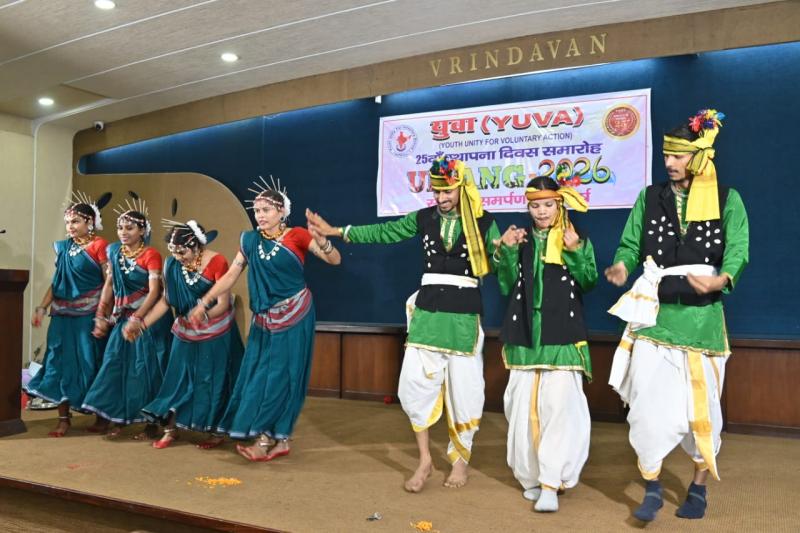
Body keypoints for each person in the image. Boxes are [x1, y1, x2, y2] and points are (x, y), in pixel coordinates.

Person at [307, 156, 501, 492]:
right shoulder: (424, 218)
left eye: (448, 191)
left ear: (461, 187)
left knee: (465, 392)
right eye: (437, 191)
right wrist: (335, 231)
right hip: (427, 312)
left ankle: (459, 461)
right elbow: (386, 231)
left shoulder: (484, 223)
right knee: (413, 386)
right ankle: (424, 459)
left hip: (464, 316)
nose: (441, 198)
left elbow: (497, 266)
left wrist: (504, 252)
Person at [604, 109, 749, 521]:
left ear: (699, 157)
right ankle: (651, 484)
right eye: (667, 155)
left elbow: (738, 249)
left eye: (680, 156)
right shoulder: (650, 197)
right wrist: (620, 264)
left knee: (702, 413)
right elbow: (631, 244)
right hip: (655, 319)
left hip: (703, 324)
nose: (670, 163)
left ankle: (699, 487)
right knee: (648, 410)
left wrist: (722, 279)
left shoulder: (727, 198)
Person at [189, 178, 341, 461]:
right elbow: (231, 276)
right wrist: (205, 301)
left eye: (266, 210)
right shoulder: (249, 240)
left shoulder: (297, 236)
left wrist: (323, 242)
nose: (259, 215)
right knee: (258, 375)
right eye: (256, 210)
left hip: (295, 314)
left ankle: (267, 438)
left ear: (282, 212)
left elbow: (335, 261)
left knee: (283, 376)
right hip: (264, 319)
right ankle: (278, 438)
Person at [495, 174, 597, 512]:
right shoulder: (520, 240)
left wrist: (576, 252)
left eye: (548, 205)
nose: (541, 212)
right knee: (522, 411)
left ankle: (553, 482)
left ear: (560, 204)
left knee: (559, 409)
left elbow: (589, 281)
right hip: (525, 338)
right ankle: (533, 478)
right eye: (535, 205)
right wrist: (507, 252)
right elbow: (508, 285)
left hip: (561, 338)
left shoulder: (575, 238)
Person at [137, 220, 244, 449]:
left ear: (196, 246)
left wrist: (202, 315)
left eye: (182, 251)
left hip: (216, 331)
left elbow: (223, 303)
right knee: (175, 379)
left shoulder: (217, 261)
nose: (178, 256)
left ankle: (215, 431)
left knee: (212, 381)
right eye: (173, 252)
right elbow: (167, 300)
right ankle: (170, 429)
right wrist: (141, 324)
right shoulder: (172, 265)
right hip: (185, 329)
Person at [81, 200, 173, 438]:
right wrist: (101, 315)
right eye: (121, 227)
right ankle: (119, 418)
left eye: (130, 228)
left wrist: (138, 319)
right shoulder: (113, 251)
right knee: (115, 365)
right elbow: (109, 284)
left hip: (148, 322)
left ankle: (151, 424)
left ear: (142, 231)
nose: (123, 232)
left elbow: (155, 292)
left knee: (146, 371)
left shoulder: (151, 254)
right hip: (123, 319)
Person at [25, 192, 111, 437]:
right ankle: (63, 418)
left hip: (89, 314)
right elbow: (57, 282)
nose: (70, 227)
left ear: (89, 223)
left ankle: (101, 416)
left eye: (75, 222)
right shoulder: (64, 248)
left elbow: (109, 282)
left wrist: (104, 314)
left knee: (90, 360)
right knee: (57, 361)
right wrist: (42, 307)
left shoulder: (100, 246)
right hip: (62, 314)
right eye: (67, 222)